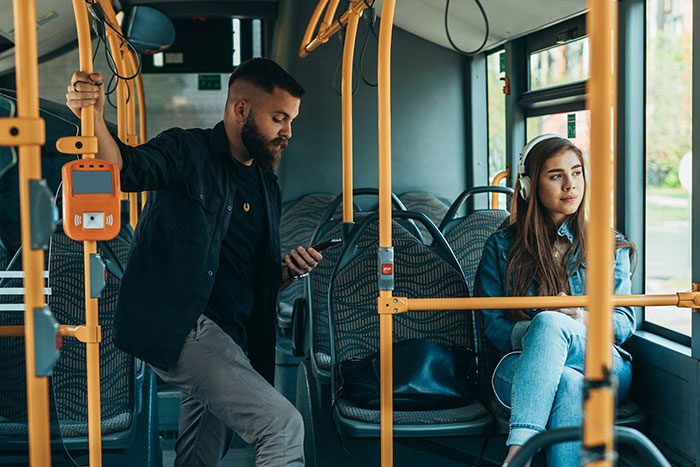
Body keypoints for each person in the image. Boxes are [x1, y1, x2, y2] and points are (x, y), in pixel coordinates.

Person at [66, 58, 320, 466]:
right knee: (282, 426)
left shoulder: (266, 185)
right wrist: (92, 115)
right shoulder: (187, 150)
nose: (287, 132)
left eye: (290, 120)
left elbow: (255, 279)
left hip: (232, 340)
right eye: (278, 118)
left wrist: (286, 273)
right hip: (185, 326)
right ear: (241, 110)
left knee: (198, 459)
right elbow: (120, 170)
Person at [474, 134, 636, 466]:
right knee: (568, 379)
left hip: (602, 363)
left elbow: (625, 322)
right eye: (556, 176)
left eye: (577, 173)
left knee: (553, 323)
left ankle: (518, 451)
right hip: (522, 366)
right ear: (528, 185)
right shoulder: (501, 247)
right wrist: (542, 324)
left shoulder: (608, 244)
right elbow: (494, 328)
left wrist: (577, 319)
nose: (570, 186)